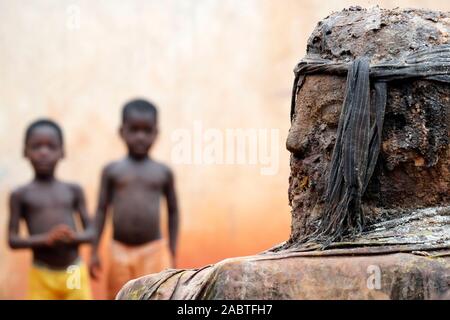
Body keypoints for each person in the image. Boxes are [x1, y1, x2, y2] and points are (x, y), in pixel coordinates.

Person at [89, 99, 179, 299]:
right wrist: (94, 250)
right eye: (134, 130)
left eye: (147, 131)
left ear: (156, 133)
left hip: (154, 251)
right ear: (122, 131)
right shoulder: (112, 171)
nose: (140, 137)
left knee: (158, 295)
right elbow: (101, 210)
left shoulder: (163, 172)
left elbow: (173, 211)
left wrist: (172, 251)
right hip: (118, 250)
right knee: (119, 295)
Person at [8, 119, 93, 300]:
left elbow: (92, 233)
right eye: (36, 147)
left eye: (51, 147)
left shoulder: (73, 190)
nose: (44, 153)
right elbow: (12, 240)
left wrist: (71, 237)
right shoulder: (20, 194)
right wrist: (46, 239)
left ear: (62, 152)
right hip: (41, 273)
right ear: (25, 151)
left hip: (73, 270)